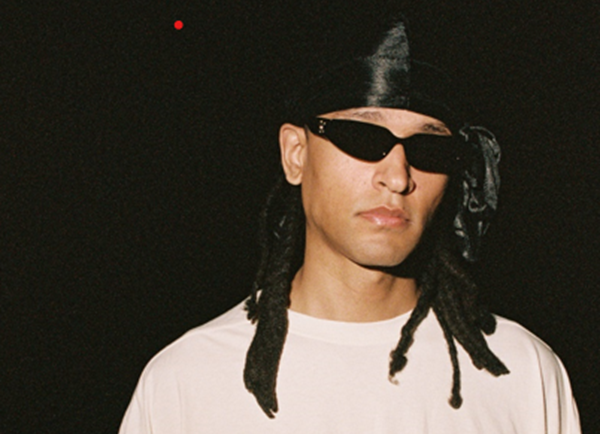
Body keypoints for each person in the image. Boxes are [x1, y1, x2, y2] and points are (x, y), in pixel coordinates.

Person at [119, 18, 580, 433]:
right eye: (363, 137)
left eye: (429, 149)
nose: (397, 177)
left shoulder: (524, 375)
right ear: (295, 154)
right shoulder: (188, 381)